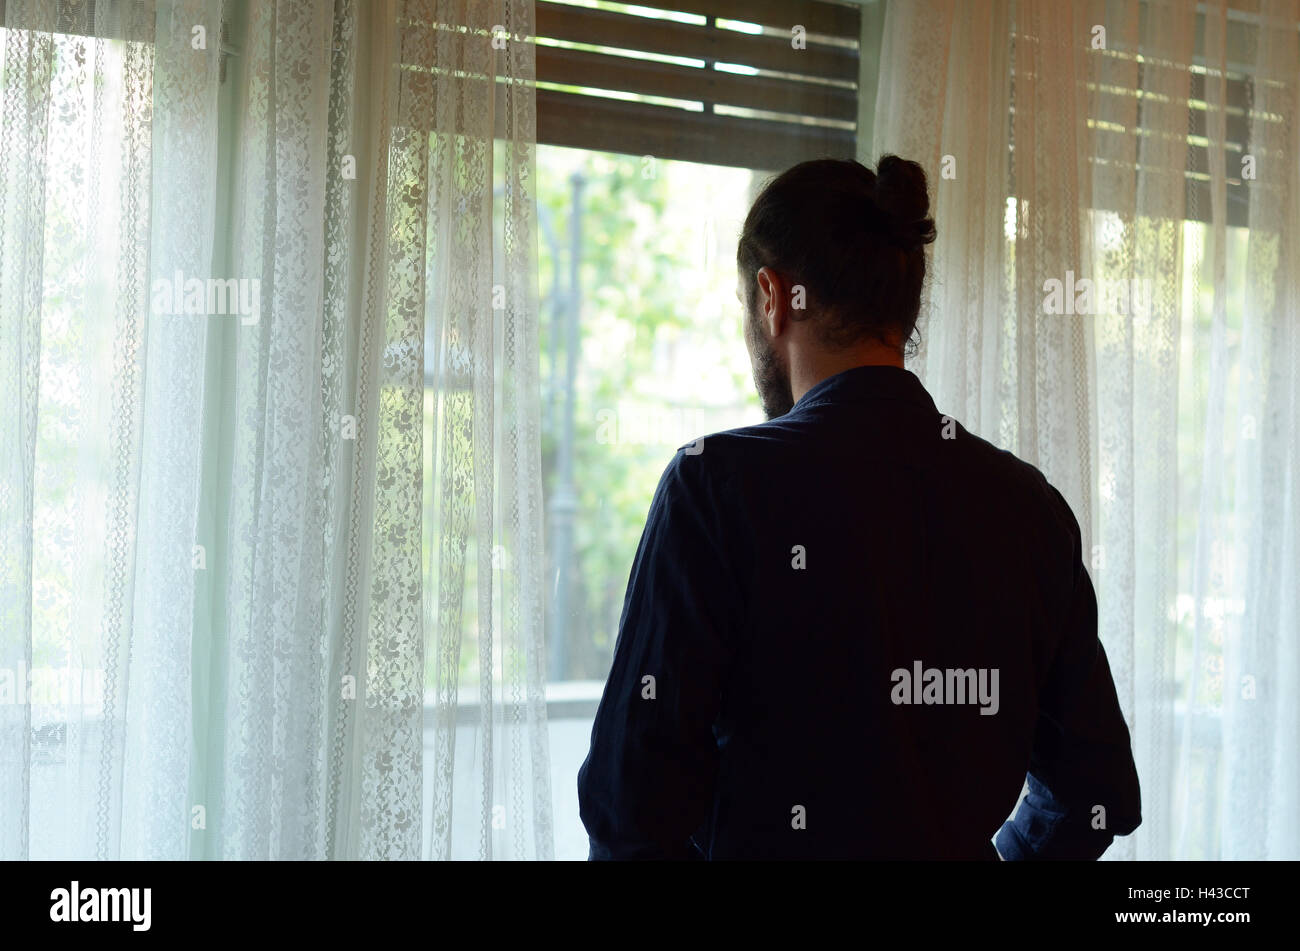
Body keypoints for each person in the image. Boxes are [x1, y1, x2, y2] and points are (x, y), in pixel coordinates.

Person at [576, 156, 1141, 860]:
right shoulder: (1030, 508)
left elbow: (632, 813)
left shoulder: (714, 488)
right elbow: (1096, 796)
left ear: (774, 295)